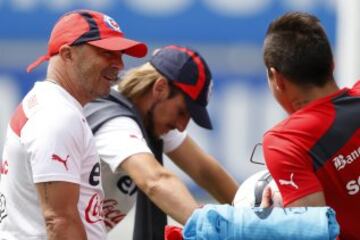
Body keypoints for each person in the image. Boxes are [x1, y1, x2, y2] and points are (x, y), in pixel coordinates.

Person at [0, 9, 147, 239]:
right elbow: (59, 221)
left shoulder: (51, 104)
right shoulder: (57, 115)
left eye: (120, 54)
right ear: (68, 54)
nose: (119, 64)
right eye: (107, 52)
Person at [84, 45, 238, 239]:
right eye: (182, 112)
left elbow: (205, 171)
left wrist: (258, 220)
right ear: (160, 88)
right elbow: (155, 181)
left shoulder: (149, 113)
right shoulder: (115, 123)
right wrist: (209, 229)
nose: (182, 127)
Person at [262, 12, 360, 239]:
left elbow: (311, 235)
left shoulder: (286, 142)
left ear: (277, 79)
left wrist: (270, 228)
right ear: (332, 65)